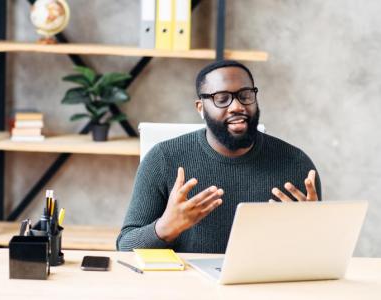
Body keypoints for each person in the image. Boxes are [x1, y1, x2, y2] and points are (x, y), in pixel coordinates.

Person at [116, 60, 321, 253]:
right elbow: (125, 246)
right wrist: (164, 228)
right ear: (201, 108)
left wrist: (313, 229)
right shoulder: (163, 159)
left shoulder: (296, 164)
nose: (237, 106)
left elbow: (316, 254)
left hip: (264, 287)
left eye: (245, 95)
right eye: (222, 99)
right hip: (187, 288)